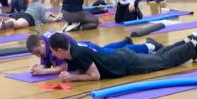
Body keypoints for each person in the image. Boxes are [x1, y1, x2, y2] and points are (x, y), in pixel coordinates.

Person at [45, 30, 197, 83]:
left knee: (162, 62)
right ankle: (188, 41)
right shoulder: (72, 48)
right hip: (120, 57)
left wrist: (73, 78)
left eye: (52, 51)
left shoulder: (77, 54)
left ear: (59, 49)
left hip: (124, 63)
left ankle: (193, 46)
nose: (52, 54)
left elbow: (95, 76)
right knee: (159, 56)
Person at [27, 31, 165, 78]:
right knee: (106, 49)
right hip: (84, 47)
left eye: (38, 52)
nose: (39, 56)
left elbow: (63, 66)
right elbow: (48, 64)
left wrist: (43, 72)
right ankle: (124, 41)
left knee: (113, 53)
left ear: (42, 43)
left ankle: (149, 46)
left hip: (85, 49)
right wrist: (40, 68)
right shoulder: (47, 44)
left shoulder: (54, 46)